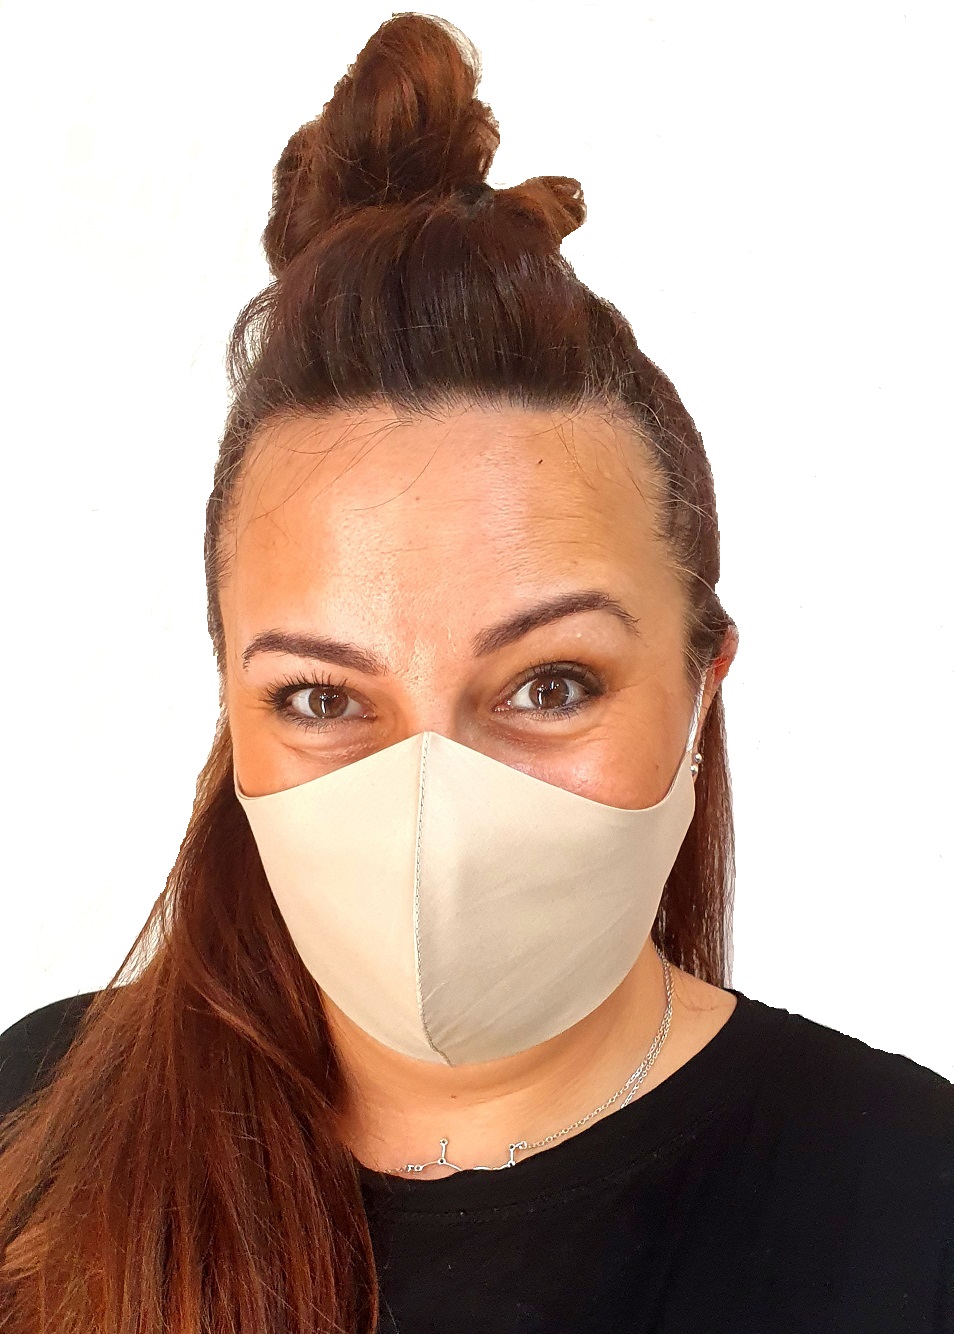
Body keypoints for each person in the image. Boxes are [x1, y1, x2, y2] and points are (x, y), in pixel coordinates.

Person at [0, 13, 950, 1334]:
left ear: (699, 689)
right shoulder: (37, 1120)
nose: (428, 804)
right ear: (232, 708)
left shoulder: (912, 1203)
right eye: (323, 698)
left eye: (549, 684)